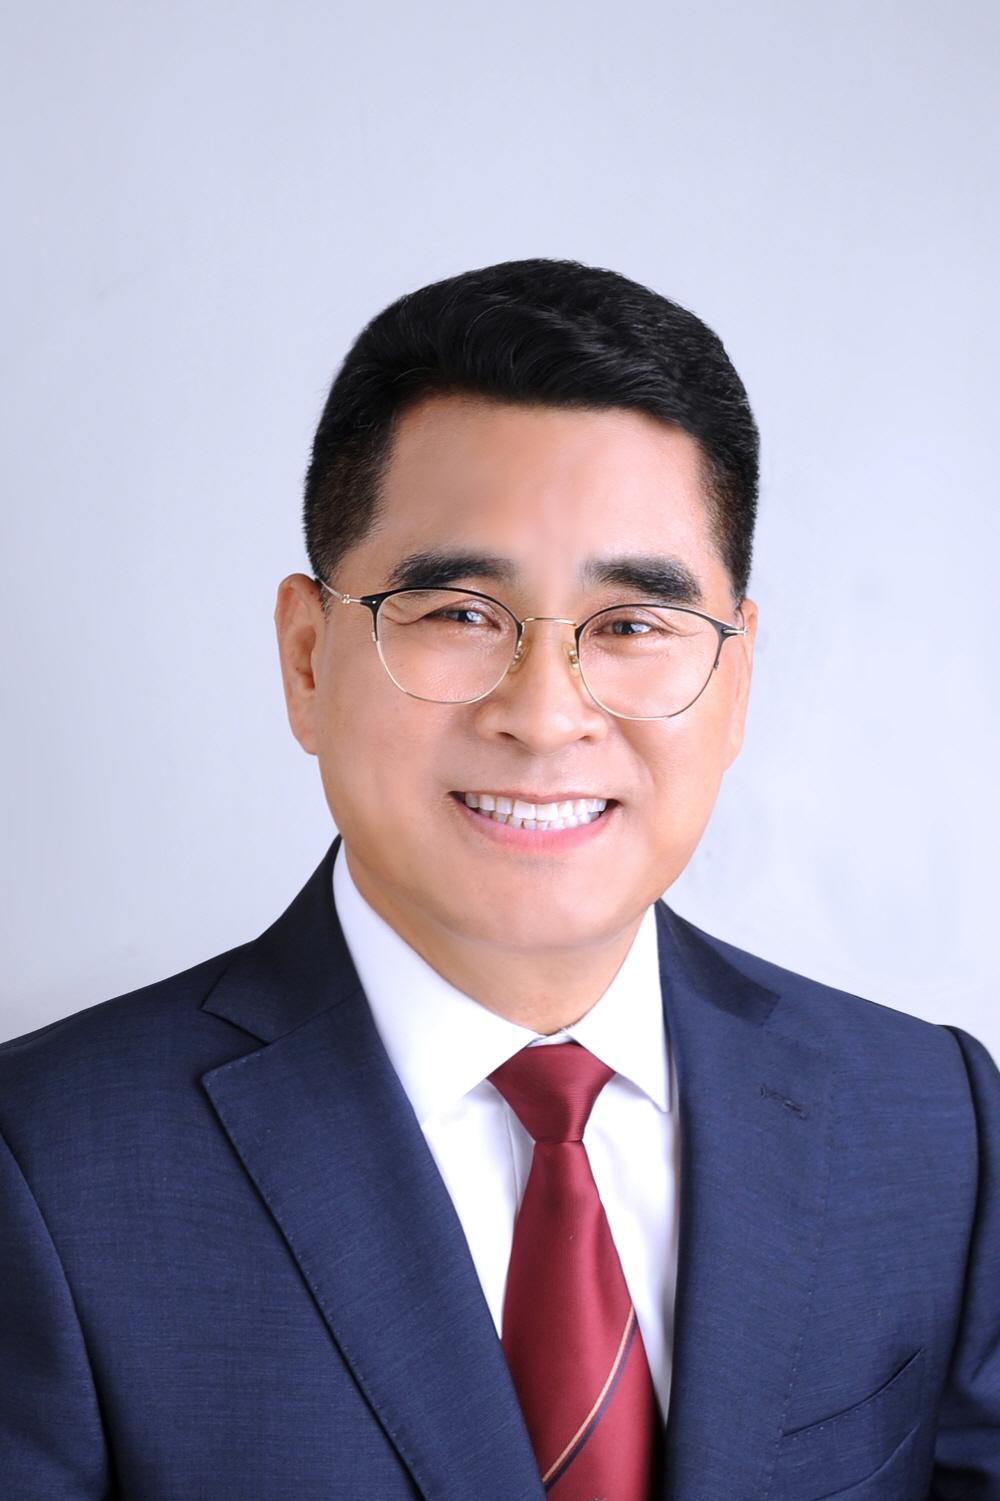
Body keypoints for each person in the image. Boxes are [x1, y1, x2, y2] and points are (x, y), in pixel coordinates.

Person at [0, 260, 997, 1501]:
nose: (544, 712)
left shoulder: (933, 1126)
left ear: (735, 680)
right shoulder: (47, 1169)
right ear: (306, 658)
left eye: (631, 625)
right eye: (460, 614)